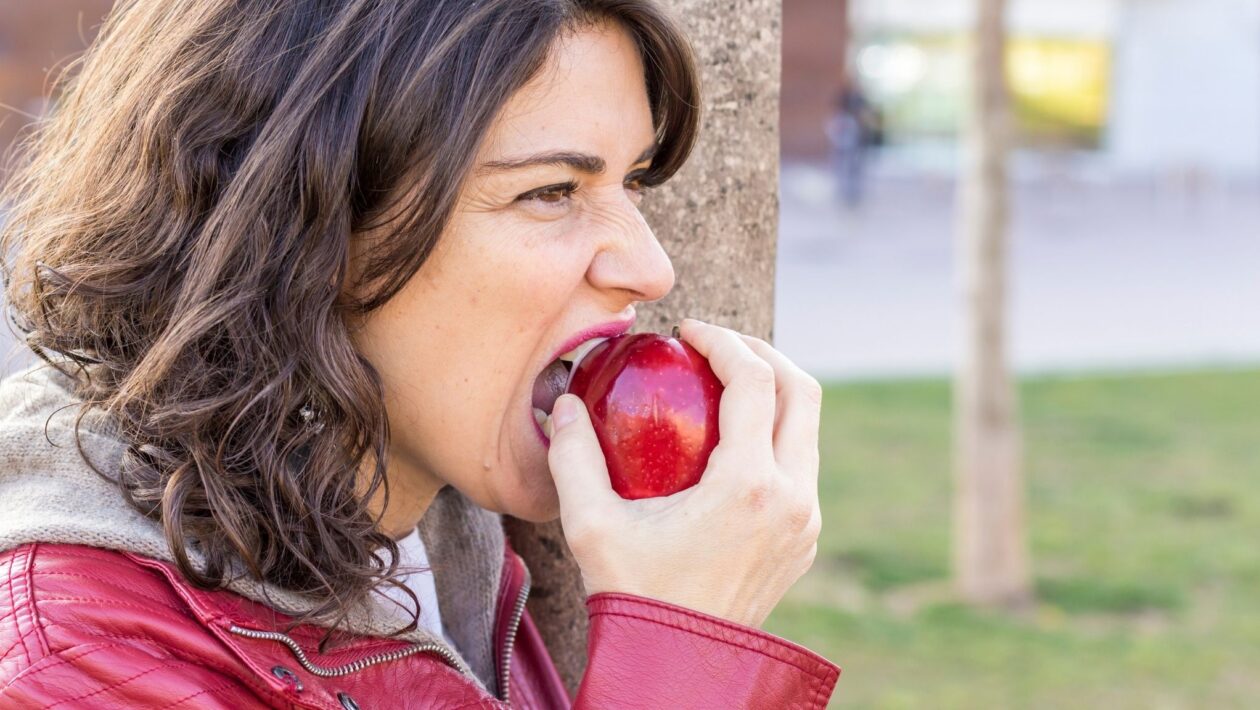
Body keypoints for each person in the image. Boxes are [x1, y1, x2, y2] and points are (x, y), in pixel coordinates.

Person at [0, 1, 838, 707]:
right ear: (304, 232)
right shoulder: (81, 670)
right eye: (550, 191)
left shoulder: (441, 538)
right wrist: (681, 661)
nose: (651, 268)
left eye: (634, 182)